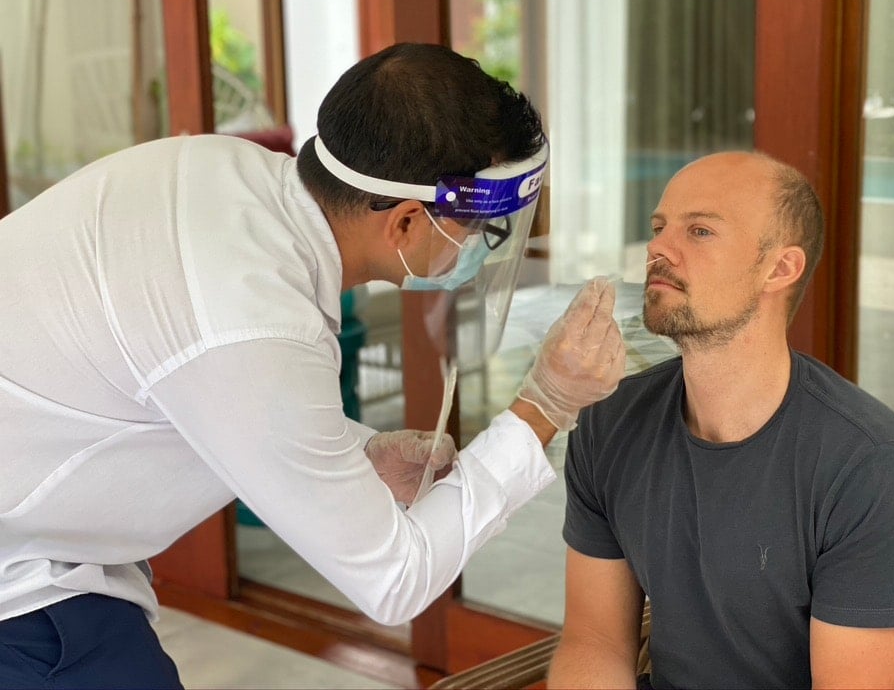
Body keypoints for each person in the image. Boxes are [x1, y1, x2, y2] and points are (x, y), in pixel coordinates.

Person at [0, 42, 626, 689]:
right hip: (22, 595)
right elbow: (394, 580)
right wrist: (545, 406)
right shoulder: (253, 320)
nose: (478, 252)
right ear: (408, 222)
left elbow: (194, 388)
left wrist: (356, 455)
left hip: (53, 551)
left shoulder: (221, 170)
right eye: (481, 232)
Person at [549, 151, 894, 690]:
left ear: (780, 268)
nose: (658, 247)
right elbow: (594, 642)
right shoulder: (608, 423)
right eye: (659, 227)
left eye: (700, 230)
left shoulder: (869, 464)